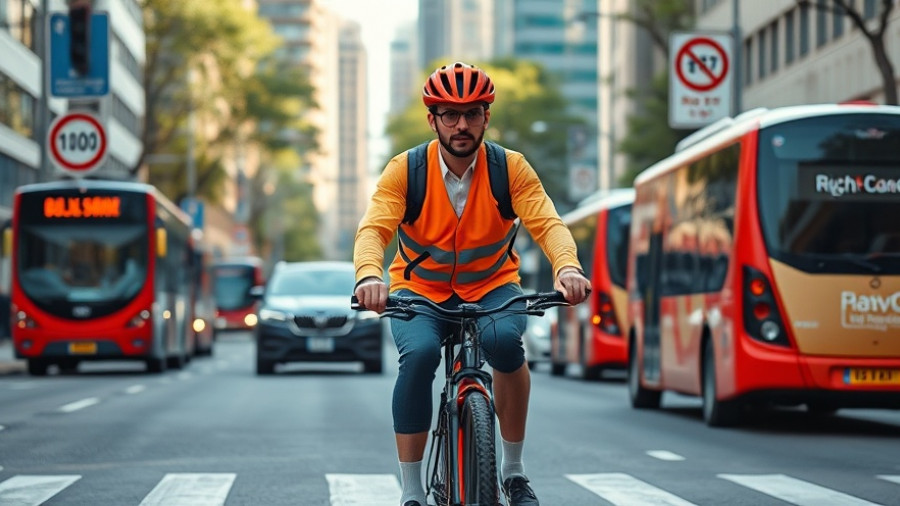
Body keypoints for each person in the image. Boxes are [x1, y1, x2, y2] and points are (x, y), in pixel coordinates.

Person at [353, 61, 591, 506]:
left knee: (504, 343)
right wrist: (369, 276)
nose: (461, 125)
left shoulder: (510, 168)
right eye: (449, 115)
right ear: (433, 120)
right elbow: (374, 230)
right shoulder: (406, 170)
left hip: (493, 285)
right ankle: (411, 492)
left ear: (487, 117)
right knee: (420, 355)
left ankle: (514, 471)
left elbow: (548, 223)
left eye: (473, 113)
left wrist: (567, 268)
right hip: (419, 289)